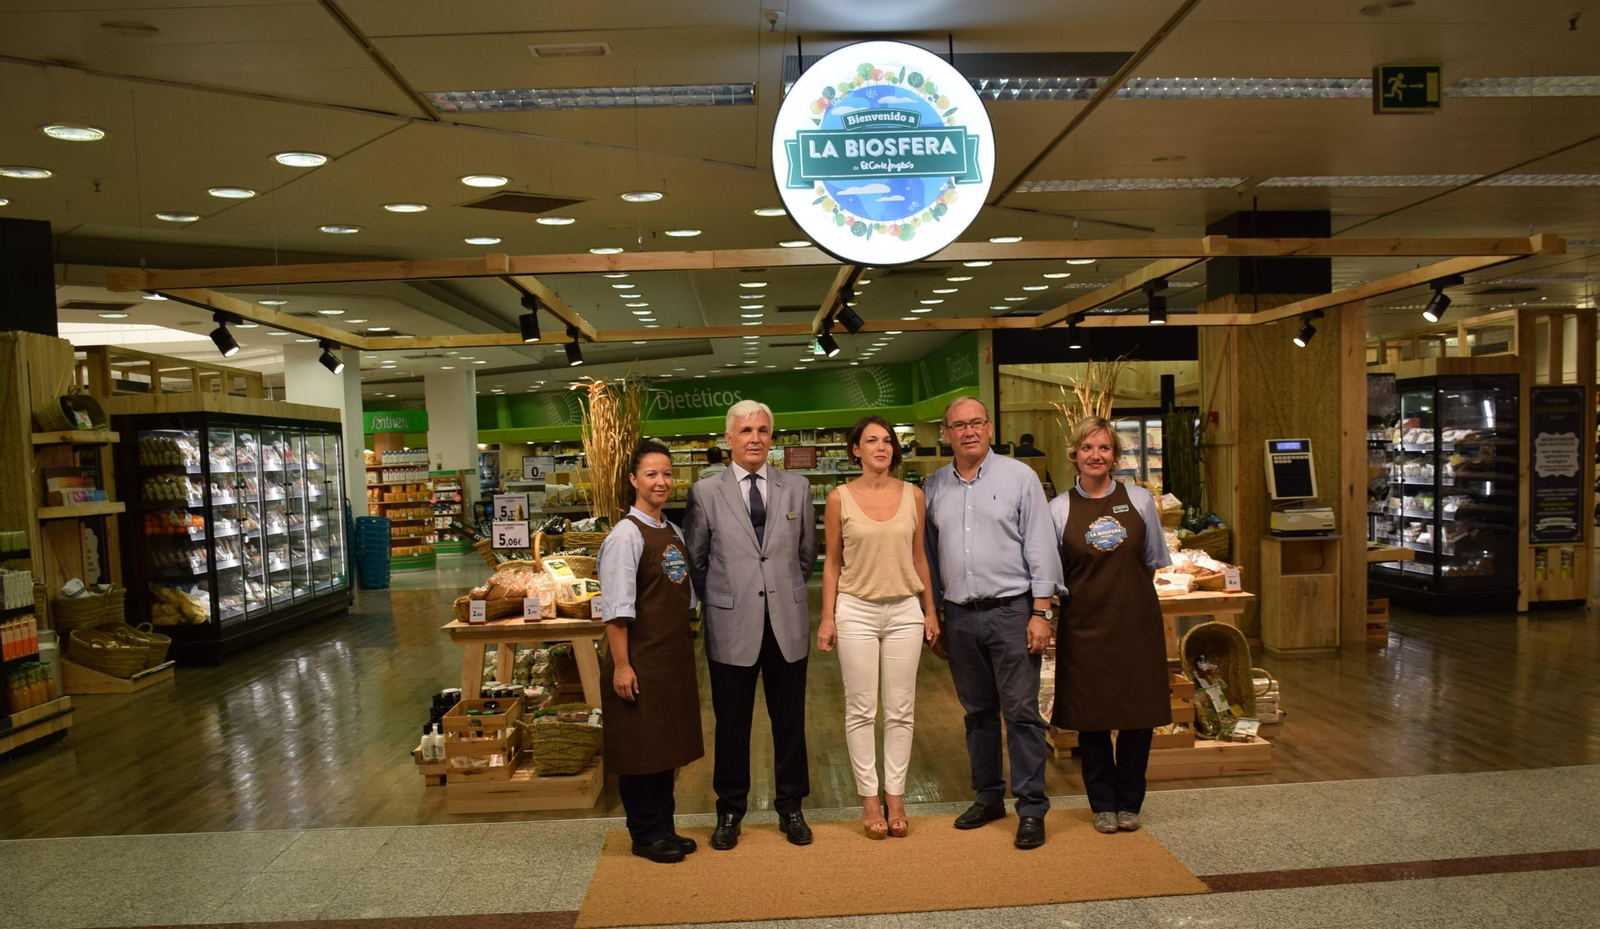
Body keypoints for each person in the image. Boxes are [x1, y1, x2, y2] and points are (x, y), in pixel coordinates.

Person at [923, 397, 1062, 850]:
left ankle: (1031, 808)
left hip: (1012, 612)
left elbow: (1041, 545)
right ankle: (988, 797)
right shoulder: (934, 486)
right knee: (978, 712)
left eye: (976, 423)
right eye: (958, 425)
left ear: (989, 427)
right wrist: (936, 612)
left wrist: (1041, 611)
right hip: (960, 615)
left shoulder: (1019, 477)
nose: (968, 432)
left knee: (1021, 713)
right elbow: (928, 555)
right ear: (946, 434)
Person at [684, 400, 818, 850]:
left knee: (790, 722)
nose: (755, 438)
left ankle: (791, 807)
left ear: (772, 437)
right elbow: (696, 560)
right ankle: (729, 811)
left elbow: (805, 556)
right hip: (731, 625)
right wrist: (723, 600)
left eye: (763, 430)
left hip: (786, 624)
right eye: (745, 431)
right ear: (729, 439)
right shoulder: (705, 493)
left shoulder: (796, 487)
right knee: (732, 724)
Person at [817, 415, 939, 840]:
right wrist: (828, 617)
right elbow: (832, 563)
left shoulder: (914, 496)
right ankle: (869, 798)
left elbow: (920, 557)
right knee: (861, 708)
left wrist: (930, 610)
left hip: (905, 608)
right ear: (856, 450)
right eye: (871, 441)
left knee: (901, 709)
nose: (882, 447)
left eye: (887, 441)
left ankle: (897, 796)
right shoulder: (839, 499)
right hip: (856, 610)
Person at [1049, 416, 1172, 835]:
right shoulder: (1058, 509)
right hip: (1083, 629)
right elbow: (1053, 573)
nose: (1095, 456)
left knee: (1140, 717)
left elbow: (1154, 559)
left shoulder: (1139, 501)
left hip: (1136, 625)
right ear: (1075, 457)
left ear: (1115, 457)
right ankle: (1102, 804)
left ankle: (1129, 803)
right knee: (1092, 720)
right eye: (1087, 448)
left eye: (1103, 448)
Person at [597, 440, 704, 863]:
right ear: (633, 480)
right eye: (651, 474)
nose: (661, 482)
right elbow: (617, 611)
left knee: (664, 747)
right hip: (639, 657)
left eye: (666, 473)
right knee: (641, 748)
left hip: (671, 657)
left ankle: (664, 826)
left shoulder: (671, 531)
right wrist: (622, 666)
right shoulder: (625, 537)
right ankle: (644, 834)